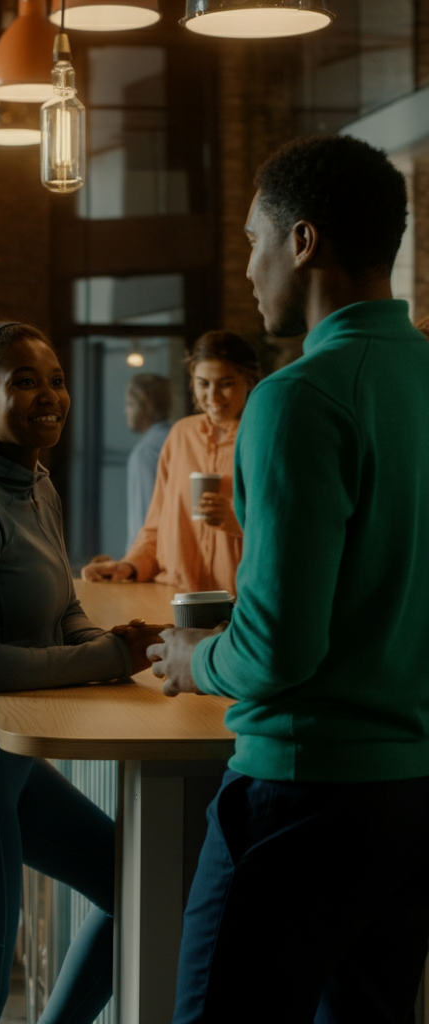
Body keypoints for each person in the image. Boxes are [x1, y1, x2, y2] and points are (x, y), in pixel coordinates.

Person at [149, 135, 429, 1023]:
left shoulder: (300, 395)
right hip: (413, 796)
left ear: (301, 242)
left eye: (252, 240)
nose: (248, 267)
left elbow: (276, 647)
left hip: (304, 790)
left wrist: (194, 661)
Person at [0, 322, 166, 1024]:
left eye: (55, 379)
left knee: (134, 886)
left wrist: (118, 640)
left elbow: (64, 608)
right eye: (22, 379)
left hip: (5, 763)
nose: (48, 394)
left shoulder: (35, 481)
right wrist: (107, 659)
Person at [84, 331, 260, 596]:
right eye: (203, 384)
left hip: (239, 603)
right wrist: (129, 566)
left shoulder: (262, 437)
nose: (212, 397)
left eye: (225, 384)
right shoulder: (180, 435)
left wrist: (235, 518)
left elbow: (287, 534)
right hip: (174, 597)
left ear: (248, 381)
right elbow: (155, 528)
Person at [124, 372, 172, 544]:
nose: (126, 411)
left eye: (129, 404)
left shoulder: (146, 452)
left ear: (142, 405)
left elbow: (144, 521)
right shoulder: (179, 439)